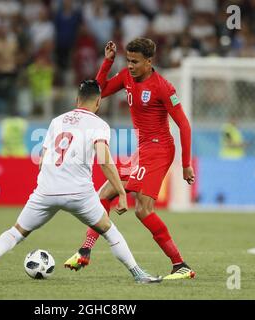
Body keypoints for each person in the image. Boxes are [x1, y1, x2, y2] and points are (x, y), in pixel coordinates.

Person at [0, 80, 162, 284]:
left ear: (77, 100)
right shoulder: (99, 125)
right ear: (99, 102)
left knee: (17, 231)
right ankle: (138, 273)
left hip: (47, 190)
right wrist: (120, 191)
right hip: (79, 193)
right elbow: (104, 158)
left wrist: (46, 185)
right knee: (109, 230)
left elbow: (42, 159)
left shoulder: (57, 121)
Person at [64, 38, 196, 280]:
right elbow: (98, 92)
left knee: (143, 210)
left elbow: (184, 125)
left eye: (135, 61)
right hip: (142, 150)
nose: (131, 66)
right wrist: (107, 62)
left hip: (159, 150)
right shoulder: (126, 76)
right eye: (128, 61)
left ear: (149, 61)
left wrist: (186, 164)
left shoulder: (163, 87)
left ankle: (180, 265)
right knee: (104, 194)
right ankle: (85, 251)